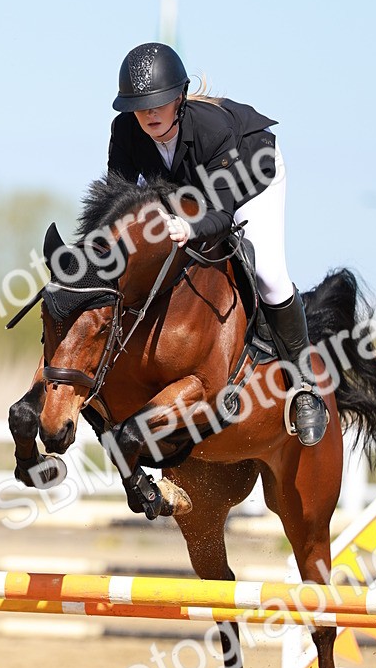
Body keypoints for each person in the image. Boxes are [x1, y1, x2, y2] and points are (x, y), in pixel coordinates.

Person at [107, 41, 327, 446]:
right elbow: (116, 202)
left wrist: (189, 229)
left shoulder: (212, 131)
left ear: (179, 98)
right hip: (191, 185)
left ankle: (305, 388)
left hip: (250, 175)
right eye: (140, 107)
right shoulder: (125, 131)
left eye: (158, 104)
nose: (150, 114)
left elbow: (223, 216)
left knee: (269, 275)